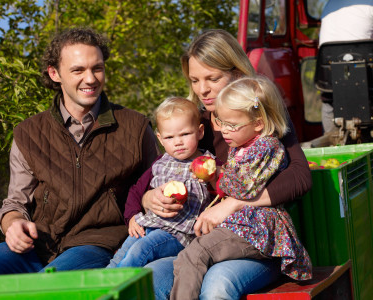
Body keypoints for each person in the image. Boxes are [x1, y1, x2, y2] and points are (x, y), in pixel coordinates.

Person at [125, 29, 312, 300]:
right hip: (200, 240)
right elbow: (154, 173)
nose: (203, 89)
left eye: (212, 78)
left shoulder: (258, 119)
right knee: (152, 278)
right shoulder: (193, 126)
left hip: (254, 239)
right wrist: (150, 198)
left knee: (217, 285)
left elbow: (300, 178)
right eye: (194, 80)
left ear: (236, 73)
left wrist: (234, 203)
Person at [0, 27, 160, 275]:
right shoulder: (29, 133)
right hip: (38, 244)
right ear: (55, 73)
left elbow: (157, 189)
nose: (91, 78)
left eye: (97, 68)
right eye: (78, 70)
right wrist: (14, 224)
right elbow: (16, 203)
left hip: (98, 244)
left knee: (48, 286)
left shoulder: (135, 127)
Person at [170, 75, 312, 300]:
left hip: (257, 228)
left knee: (195, 254)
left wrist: (219, 174)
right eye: (221, 121)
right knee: (187, 257)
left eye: (232, 125)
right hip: (242, 226)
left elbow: (243, 188)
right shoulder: (241, 145)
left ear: (258, 123)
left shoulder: (267, 146)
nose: (224, 130)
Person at [107, 97, 214, 268]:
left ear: (200, 132)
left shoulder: (207, 164)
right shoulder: (160, 163)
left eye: (185, 134)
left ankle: (117, 292)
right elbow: (136, 190)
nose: (178, 142)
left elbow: (225, 187)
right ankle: (99, 292)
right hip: (148, 224)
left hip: (179, 234)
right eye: (169, 137)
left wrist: (213, 178)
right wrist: (133, 215)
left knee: (140, 251)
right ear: (161, 139)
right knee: (118, 258)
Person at [318, 0, 373, 133]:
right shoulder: (369, 4)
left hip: (331, 81)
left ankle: (330, 137)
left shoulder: (329, 7)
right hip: (368, 81)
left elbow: (321, 48)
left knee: (329, 99)